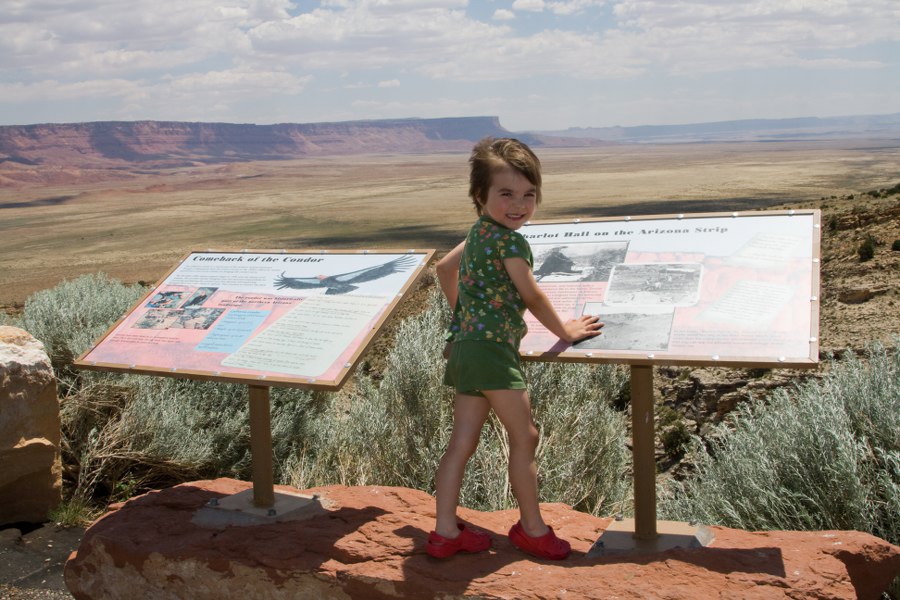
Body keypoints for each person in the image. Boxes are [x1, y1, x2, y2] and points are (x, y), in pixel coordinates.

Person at [426, 137, 603, 560]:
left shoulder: (479, 232)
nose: (518, 205)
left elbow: (443, 268)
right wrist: (567, 329)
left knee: (461, 442)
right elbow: (532, 296)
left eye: (529, 195)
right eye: (506, 194)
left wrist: (464, 319)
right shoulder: (510, 241)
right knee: (525, 436)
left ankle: (444, 532)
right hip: (491, 354)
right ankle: (532, 529)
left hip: (466, 349)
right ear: (480, 195)